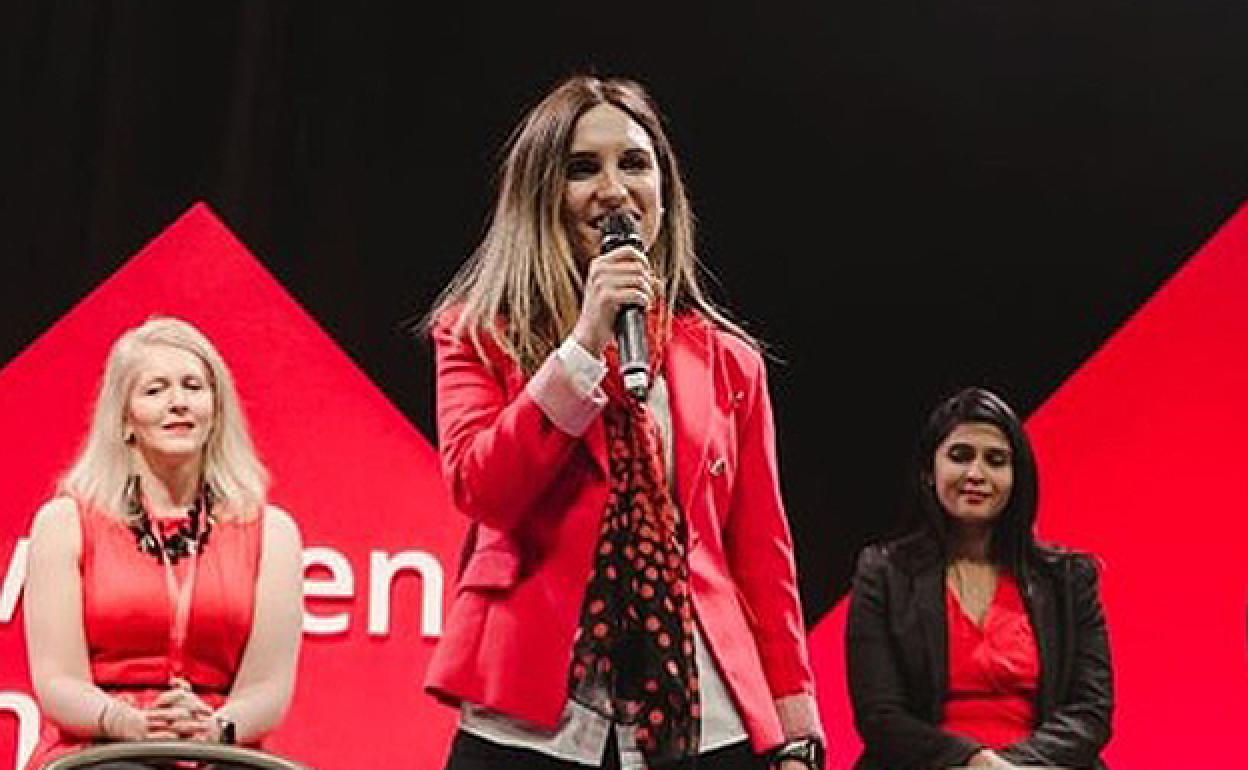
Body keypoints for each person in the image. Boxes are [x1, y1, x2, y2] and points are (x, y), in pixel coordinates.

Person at [422, 75, 824, 770]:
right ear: (540, 194)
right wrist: (582, 346)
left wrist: (795, 729)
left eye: (634, 163)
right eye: (583, 168)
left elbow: (763, 559)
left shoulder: (729, 362)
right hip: (531, 721)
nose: (613, 188)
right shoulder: (478, 334)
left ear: (664, 193)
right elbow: (482, 490)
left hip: (704, 719)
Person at [23, 317, 304, 769]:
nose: (178, 403)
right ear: (125, 419)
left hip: (218, 745)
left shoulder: (273, 532)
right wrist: (130, 723)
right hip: (101, 746)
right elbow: (58, 682)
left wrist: (213, 728)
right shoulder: (65, 523)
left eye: (192, 386)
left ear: (215, 411)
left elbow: (267, 689)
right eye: (155, 390)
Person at [846, 387, 1112, 769]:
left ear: (1016, 478)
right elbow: (881, 717)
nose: (976, 473)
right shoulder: (883, 573)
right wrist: (972, 761)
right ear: (928, 472)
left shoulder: (1069, 579)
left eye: (996, 460)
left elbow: (1090, 713)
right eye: (960, 456)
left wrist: (1008, 766)